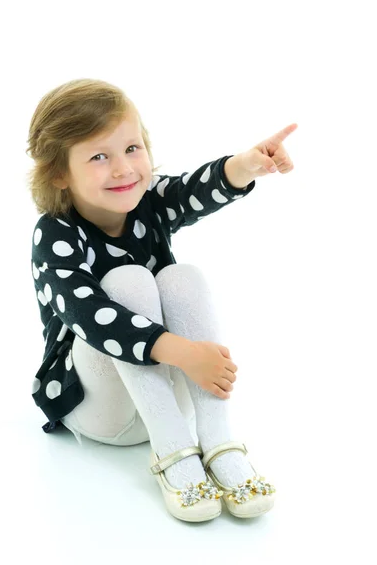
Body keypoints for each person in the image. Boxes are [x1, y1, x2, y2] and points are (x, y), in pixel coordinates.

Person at [27, 78, 287, 521]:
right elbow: (90, 316)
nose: (124, 169)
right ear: (58, 173)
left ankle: (218, 441)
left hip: (167, 395)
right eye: (98, 156)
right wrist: (185, 352)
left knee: (181, 277)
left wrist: (245, 166)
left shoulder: (148, 201)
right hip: (100, 409)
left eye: (132, 148)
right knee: (127, 282)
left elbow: (191, 191)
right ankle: (172, 454)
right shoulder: (55, 235)